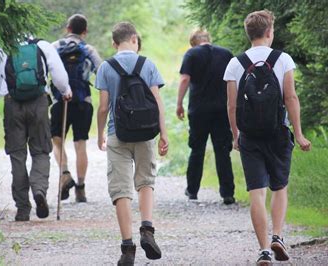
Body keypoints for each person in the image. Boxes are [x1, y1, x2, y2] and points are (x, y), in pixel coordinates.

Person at [224, 10, 311, 265]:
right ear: (270, 32)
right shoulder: (282, 59)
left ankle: (263, 250)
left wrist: (235, 136)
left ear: (248, 33)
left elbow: (231, 106)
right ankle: (278, 236)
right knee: (280, 187)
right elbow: (290, 98)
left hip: (250, 135)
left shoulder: (235, 63)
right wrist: (300, 133)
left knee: (256, 193)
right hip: (278, 133)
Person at [95, 22, 168, 265]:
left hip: (118, 134)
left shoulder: (106, 66)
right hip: (146, 134)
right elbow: (157, 102)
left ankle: (127, 247)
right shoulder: (147, 64)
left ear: (114, 43)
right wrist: (163, 135)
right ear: (135, 39)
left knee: (121, 190)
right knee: (146, 182)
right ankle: (147, 229)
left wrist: (99, 133)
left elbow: (104, 106)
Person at [0, 38, 72, 221]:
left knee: (17, 155)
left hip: (12, 103)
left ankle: (22, 208)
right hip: (39, 102)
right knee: (41, 151)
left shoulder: (2, 47)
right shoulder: (42, 45)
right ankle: (39, 190)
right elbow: (59, 74)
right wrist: (65, 90)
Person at [176, 29, 236, 205]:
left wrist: (179, 103)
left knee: (197, 149)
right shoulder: (226, 54)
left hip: (199, 109)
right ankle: (227, 193)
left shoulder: (191, 54)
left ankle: (192, 190)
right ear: (208, 39)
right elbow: (234, 81)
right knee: (223, 150)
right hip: (221, 110)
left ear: (193, 42)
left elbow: (184, 80)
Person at [50, 14, 103, 203]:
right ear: (85, 31)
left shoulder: (55, 47)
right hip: (83, 101)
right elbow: (101, 72)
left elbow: (46, 69)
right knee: (81, 144)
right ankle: (80, 188)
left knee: (57, 140)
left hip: (59, 100)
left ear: (67, 28)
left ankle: (65, 174)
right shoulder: (88, 49)